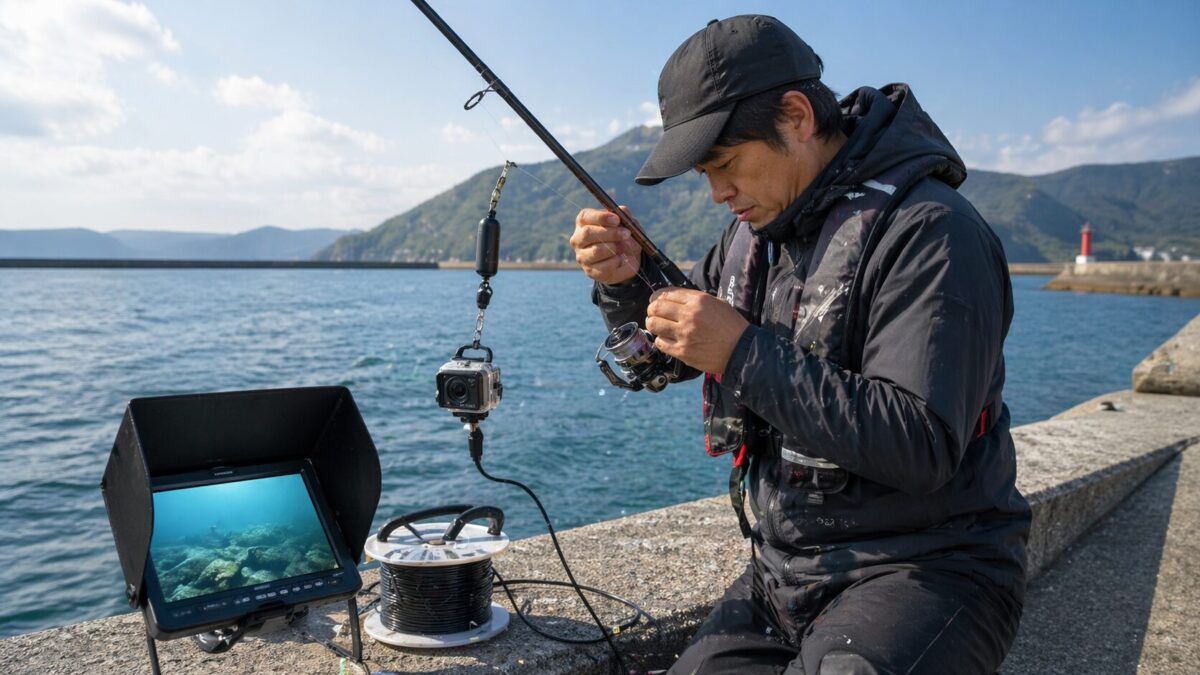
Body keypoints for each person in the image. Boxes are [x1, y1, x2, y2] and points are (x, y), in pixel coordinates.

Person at [569, 15, 1031, 675]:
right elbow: (662, 354)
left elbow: (923, 441)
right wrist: (623, 282)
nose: (717, 192)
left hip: (930, 569)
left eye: (726, 165)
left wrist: (742, 352)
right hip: (782, 575)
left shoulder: (933, 233)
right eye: (706, 173)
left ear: (796, 116)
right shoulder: (748, 236)